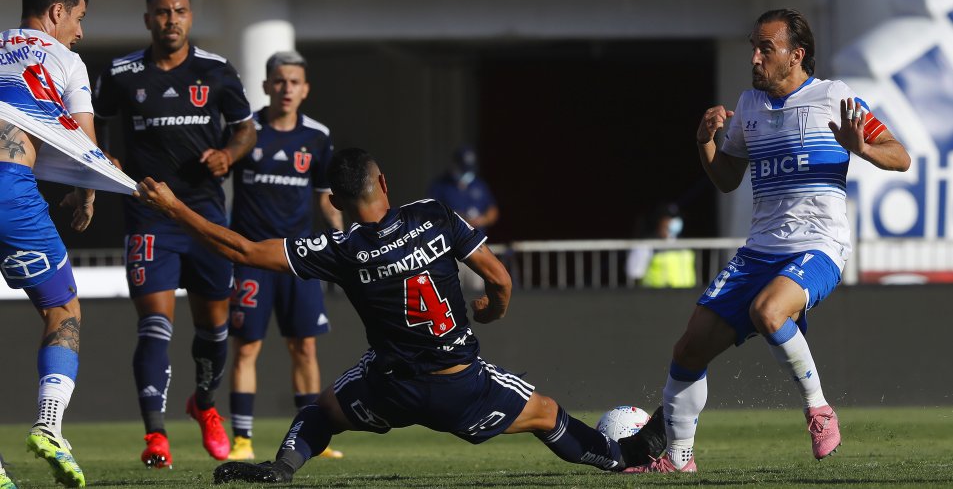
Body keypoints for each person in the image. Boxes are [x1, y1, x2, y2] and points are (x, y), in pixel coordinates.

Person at [134, 148, 667, 483]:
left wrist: (175, 208)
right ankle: (624, 456)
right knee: (548, 414)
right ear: (383, 183)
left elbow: (244, 251)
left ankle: (282, 467)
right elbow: (500, 279)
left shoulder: (341, 248)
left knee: (320, 411)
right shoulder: (434, 216)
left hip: (390, 389)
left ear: (336, 202)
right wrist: (491, 309)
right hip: (462, 386)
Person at [624, 9, 911, 474]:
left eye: (766, 49)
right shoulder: (749, 105)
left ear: (796, 55)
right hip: (759, 251)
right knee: (688, 350)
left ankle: (819, 410)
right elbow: (726, 179)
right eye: (753, 48)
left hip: (819, 244)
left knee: (768, 311)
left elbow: (901, 157)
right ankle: (678, 459)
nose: (755, 58)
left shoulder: (833, 96)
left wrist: (862, 148)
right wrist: (705, 143)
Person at [92, 0, 256, 468]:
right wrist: (103, 157)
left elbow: (246, 130)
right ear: (148, 18)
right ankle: (156, 435)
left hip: (205, 217)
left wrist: (228, 155)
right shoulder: (121, 73)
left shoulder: (217, 71)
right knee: (154, 325)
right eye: (163, 12)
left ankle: (204, 404)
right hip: (149, 215)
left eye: (179, 11)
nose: (171, 20)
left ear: (190, 16)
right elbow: (94, 121)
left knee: (215, 329)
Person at [0, 0, 97, 488]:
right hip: (10, 190)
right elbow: (86, 147)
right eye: (78, 18)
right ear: (57, 12)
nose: (79, 31)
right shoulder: (66, 60)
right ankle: (49, 427)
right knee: (63, 309)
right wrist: (86, 193)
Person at [226, 50, 343, 461]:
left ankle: (313, 437)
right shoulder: (246, 131)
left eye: (294, 82)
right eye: (279, 81)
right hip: (252, 259)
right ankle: (242, 440)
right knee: (246, 348)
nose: (286, 88)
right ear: (266, 85)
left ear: (305, 89)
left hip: (299, 259)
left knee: (304, 348)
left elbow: (326, 198)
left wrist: (344, 239)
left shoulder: (317, 136)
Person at [625, 203, 696, 288]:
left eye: (677, 217)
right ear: (660, 220)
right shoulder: (646, 245)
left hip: (687, 294)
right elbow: (634, 275)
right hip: (656, 295)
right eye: (670, 218)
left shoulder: (686, 244)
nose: (675, 221)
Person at [427, 146, 499, 230]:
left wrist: (482, 220)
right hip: (452, 235)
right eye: (463, 170)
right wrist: (458, 218)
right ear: (454, 165)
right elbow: (430, 214)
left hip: (477, 234)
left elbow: (492, 209)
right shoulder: (439, 185)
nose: (466, 174)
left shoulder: (479, 184)